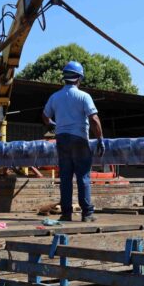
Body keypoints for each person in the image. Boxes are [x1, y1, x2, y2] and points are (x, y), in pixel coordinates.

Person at [42, 61, 105, 222]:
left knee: (65, 177)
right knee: (83, 176)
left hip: (61, 139)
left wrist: (54, 125)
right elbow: (94, 119)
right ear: (79, 78)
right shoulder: (84, 96)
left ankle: (66, 213)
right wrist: (100, 139)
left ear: (64, 78)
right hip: (79, 139)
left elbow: (45, 116)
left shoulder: (55, 97)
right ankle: (87, 214)